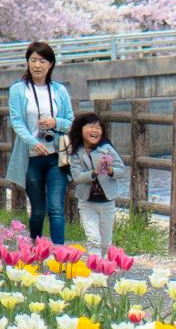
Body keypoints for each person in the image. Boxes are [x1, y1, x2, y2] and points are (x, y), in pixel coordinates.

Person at [6, 41, 73, 244]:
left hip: (57, 157)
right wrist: (32, 142)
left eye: (42, 61)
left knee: (56, 208)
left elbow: (69, 121)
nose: (37, 65)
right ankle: (35, 249)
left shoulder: (59, 90)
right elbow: (16, 121)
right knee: (38, 211)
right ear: (27, 62)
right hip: (32, 158)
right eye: (33, 60)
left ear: (50, 64)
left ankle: (60, 255)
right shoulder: (18, 90)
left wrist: (55, 122)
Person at [68, 112, 127, 254]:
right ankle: (95, 269)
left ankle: (103, 269)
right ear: (80, 129)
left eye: (98, 128)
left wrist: (110, 170)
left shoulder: (106, 148)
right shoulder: (76, 152)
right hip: (87, 202)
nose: (95, 131)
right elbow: (77, 176)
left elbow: (121, 170)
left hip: (107, 202)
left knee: (105, 243)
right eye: (91, 127)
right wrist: (94, 173)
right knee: (93, 239)